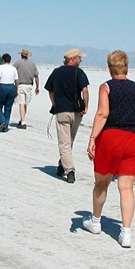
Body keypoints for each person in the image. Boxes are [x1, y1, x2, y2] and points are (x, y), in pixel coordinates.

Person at [83, 51, 135, 248]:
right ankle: (126, 233)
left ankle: (96, 222)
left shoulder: (106, 87)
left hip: (111, 137)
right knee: (126, 187)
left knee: (102, 182)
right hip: (134, 138)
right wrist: (131, 118)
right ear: (127, 68)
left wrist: (92, 138)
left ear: (109, 69)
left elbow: (103, 113)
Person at [44, 48, 90, 183]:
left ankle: (65, 167)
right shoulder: (79, 72)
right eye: (79, 58)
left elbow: (50, 91)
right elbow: (85, 90)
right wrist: (85, 106)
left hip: (62, 110)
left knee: (65, 142)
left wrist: (54, 104)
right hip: (76, 111)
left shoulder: (56, 72)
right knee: (69, 141)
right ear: (72, 59)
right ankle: (68, 169)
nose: (81, 60)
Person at [12, 48, 40, 129]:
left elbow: (12, 72)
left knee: (21, 103)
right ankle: (22, 119)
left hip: (20, 85)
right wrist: (37, 87)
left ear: (21, 55)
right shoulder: (32, 64)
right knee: (25, 103)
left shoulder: (17, 63)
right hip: (29, 86)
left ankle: (23, 121)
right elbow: (36, 76)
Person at [0, 53, 20, 132]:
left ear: (3, 60)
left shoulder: (0, 67)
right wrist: (16, 90)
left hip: (3, 86)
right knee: (8, 107)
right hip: (11, 87)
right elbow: (17, 80)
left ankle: (2, 122)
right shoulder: (13, 68)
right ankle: (6, 124)